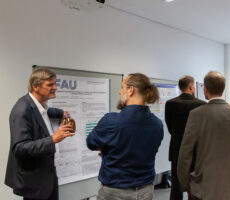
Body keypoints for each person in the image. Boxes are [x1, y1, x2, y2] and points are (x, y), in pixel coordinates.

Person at [86, 73, 164, 200]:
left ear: (131, 90)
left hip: (115, 192)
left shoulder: (111, 121)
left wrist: (106, 150)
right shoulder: (157, 124)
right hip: (146, 191)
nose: (119, 91)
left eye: (122, 87)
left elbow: (90, 143)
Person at [177, 71, 230, 200]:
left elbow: (185, 152)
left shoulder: (196, 114)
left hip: (204, 185)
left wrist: (184, 183)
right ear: (223, 88)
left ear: (205, 89)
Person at [5, 68, 74, 200]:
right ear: (36, 87)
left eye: (55, 83)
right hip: (34, 182)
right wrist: (53, 139)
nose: (55, 87)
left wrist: (61, 113)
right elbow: (19, 148)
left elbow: (43, 113)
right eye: (50, 85)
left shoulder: (39, 105)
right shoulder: (21, 110)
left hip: (47, 176)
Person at [165, 75, 206, 200]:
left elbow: (170, 128)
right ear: (190, 87)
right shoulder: (202, 104)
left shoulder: (170, 103)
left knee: (176, 186)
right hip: (196, 151)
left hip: (177, 149)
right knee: (195, 185)